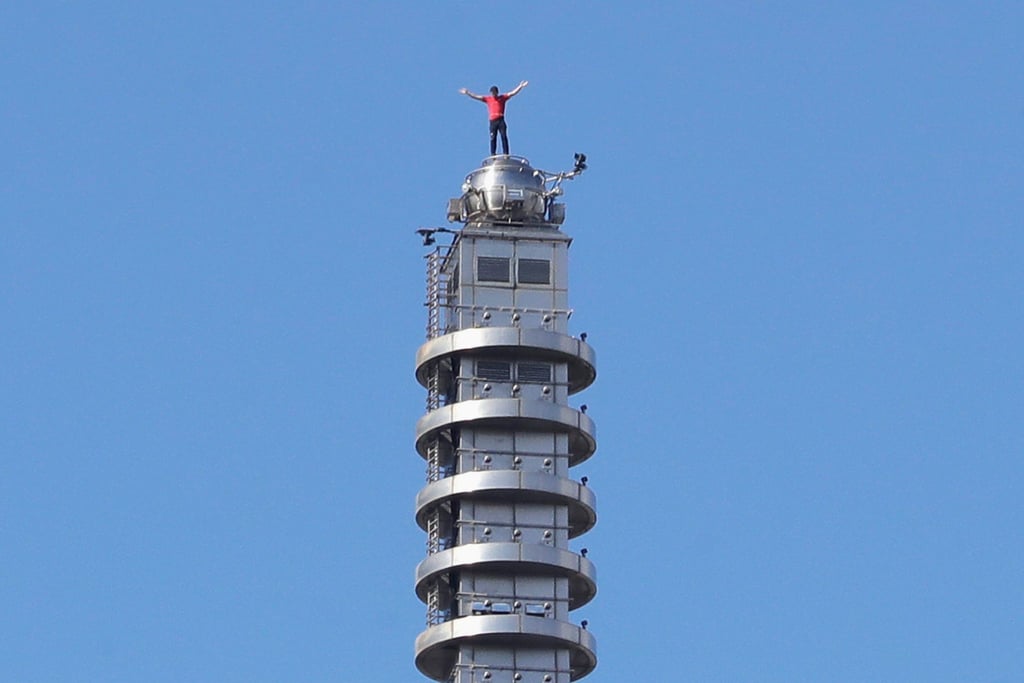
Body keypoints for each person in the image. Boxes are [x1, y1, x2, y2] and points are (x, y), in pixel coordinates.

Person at [459, 81, 528, 155]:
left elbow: (512, 93)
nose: (493, 94)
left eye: (494, 92)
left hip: (500, 120)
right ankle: (493, 154)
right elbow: (476, 97)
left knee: (503, 136)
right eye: (492, 92)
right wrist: (468, 93)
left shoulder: (502, 98)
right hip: (493, 121)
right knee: (493, 138)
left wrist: (520, 86)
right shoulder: (488, 99)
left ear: (497, 92)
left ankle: (506, 153)